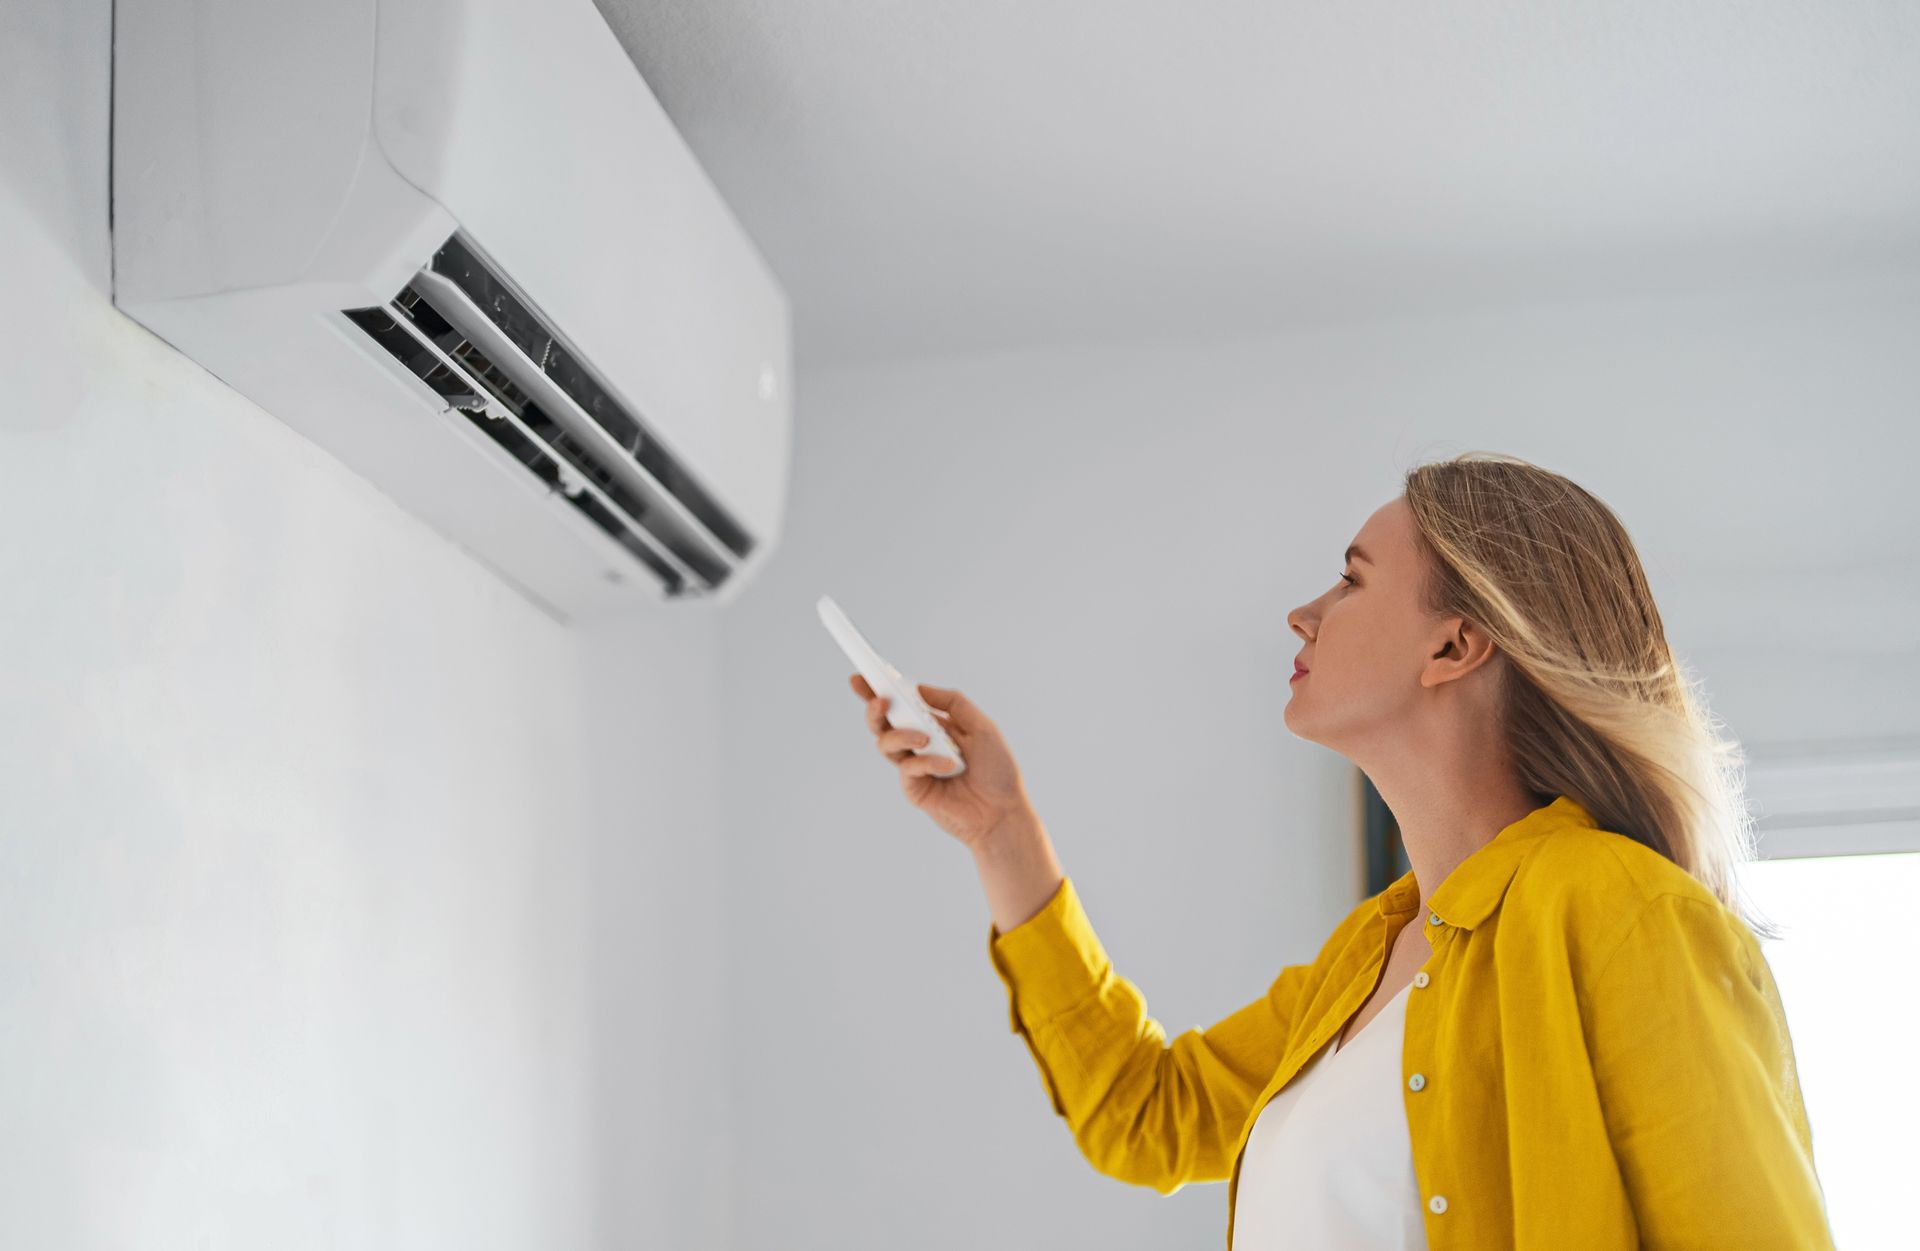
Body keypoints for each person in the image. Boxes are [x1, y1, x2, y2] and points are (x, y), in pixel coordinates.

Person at [846, 451, 1834, 1250]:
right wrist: (1001, 830)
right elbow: (1147, 1115)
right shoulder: (1365, 959)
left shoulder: (1622, 910)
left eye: (1352, 580)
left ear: (1454, 646)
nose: (1304, 613)